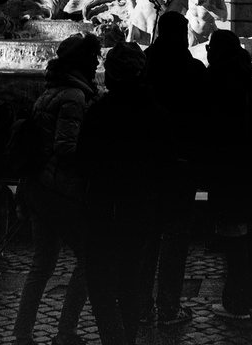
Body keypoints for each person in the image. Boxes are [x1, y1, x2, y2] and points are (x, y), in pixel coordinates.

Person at [78, 43, 177, 345]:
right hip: (141, 209)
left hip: (103, 207)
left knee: (99, 282)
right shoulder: (158, 113)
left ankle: (112, 337)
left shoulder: (99, 112)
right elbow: (166, 166)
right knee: (131, 282)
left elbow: (83, 162)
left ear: (111, 74)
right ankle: (128, 338)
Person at [13, 34, 98, 345]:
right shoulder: (75, 97)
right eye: (93, 57)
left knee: (42, 263)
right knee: (89, 257)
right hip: (58, 189)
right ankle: (66, 331)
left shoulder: (49, 92)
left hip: (36, 186)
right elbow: (66, 146)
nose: (97, 63)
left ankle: (22, 333)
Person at [144, 10, 207, 326]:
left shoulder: (144, 65)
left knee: (147, 236)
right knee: (176, 237)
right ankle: (168, 307)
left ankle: (140, 306)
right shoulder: (192, 69)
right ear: (181, 35)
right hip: (182, 165)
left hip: (147, 165)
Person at [202, 30, 252, 322]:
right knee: (251, 234)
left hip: (228, 170)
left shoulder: (216, 81)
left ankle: (235, 302)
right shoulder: (250, 80)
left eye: (211, 47)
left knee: (233, 236)